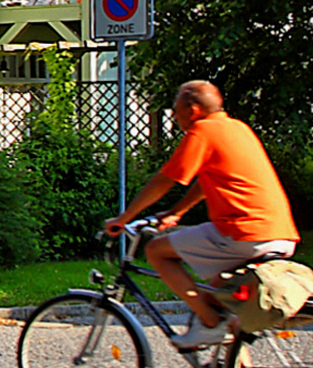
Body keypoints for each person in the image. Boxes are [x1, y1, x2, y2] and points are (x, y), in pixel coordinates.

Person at [105, 79, 299, 350]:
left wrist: (123, 219)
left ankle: (209, 324)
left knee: (157, 251)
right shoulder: (237, 128)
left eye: (176, 110)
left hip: (244, 232)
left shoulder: (202, 131)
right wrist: (176, 212)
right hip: (281, 234)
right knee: (218, 299)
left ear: (193, 110)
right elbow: (205, 182)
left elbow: (165, 180)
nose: (174, 115)